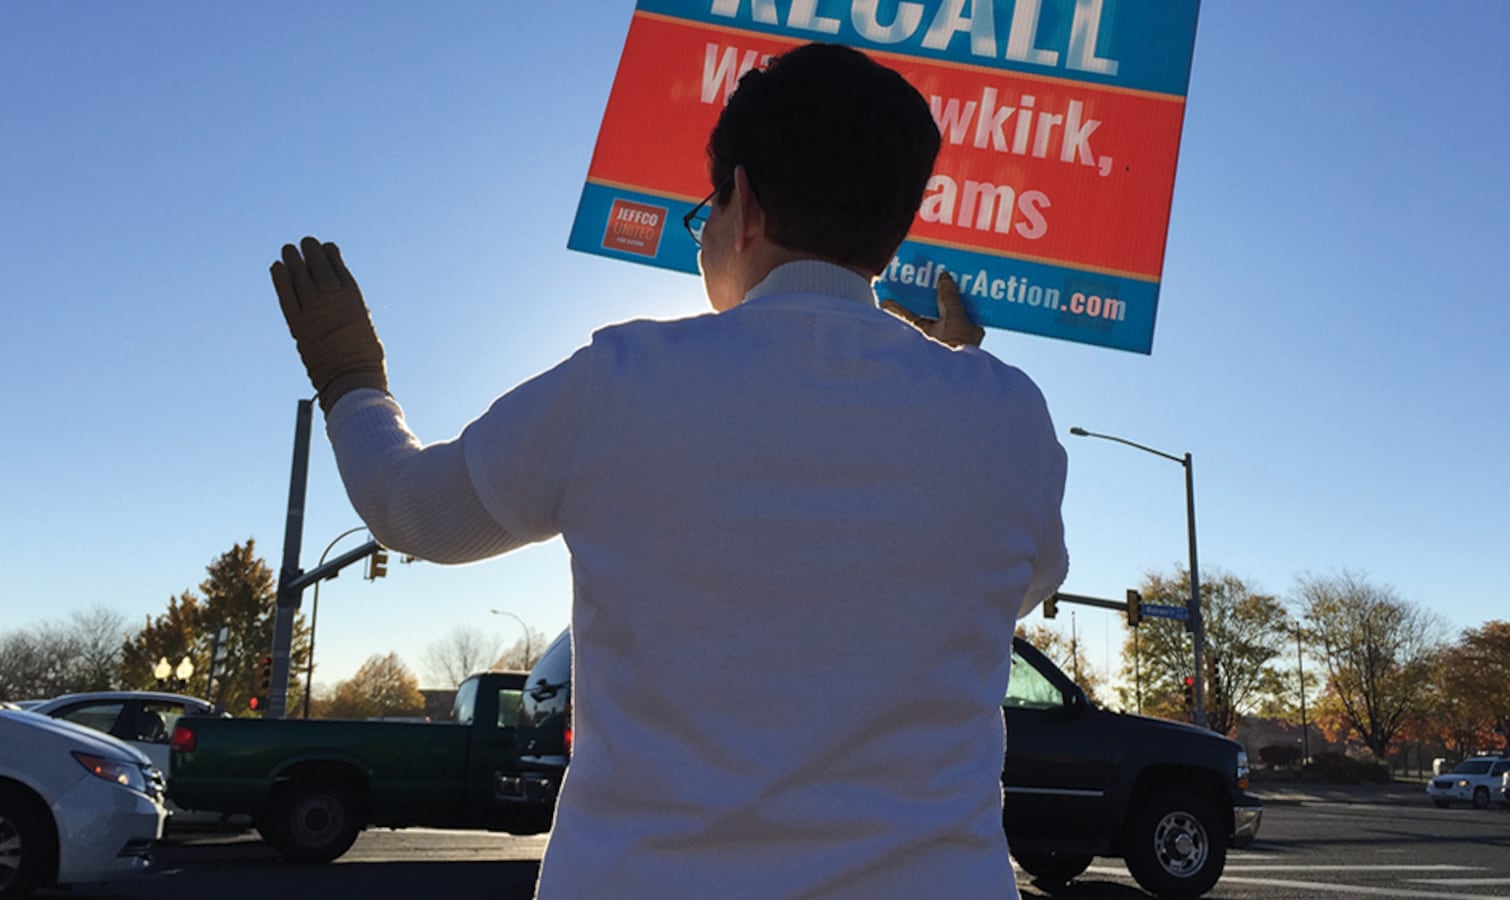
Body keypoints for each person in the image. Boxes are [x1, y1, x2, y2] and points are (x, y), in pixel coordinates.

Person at [273, 42, 1067, 899]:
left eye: (707, 212)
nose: (705, 240)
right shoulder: (1010, 416)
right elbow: (997, 597)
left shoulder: (623, 383)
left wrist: (350, 379)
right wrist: (958, 378)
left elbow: (413, 512)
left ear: (747, 206)